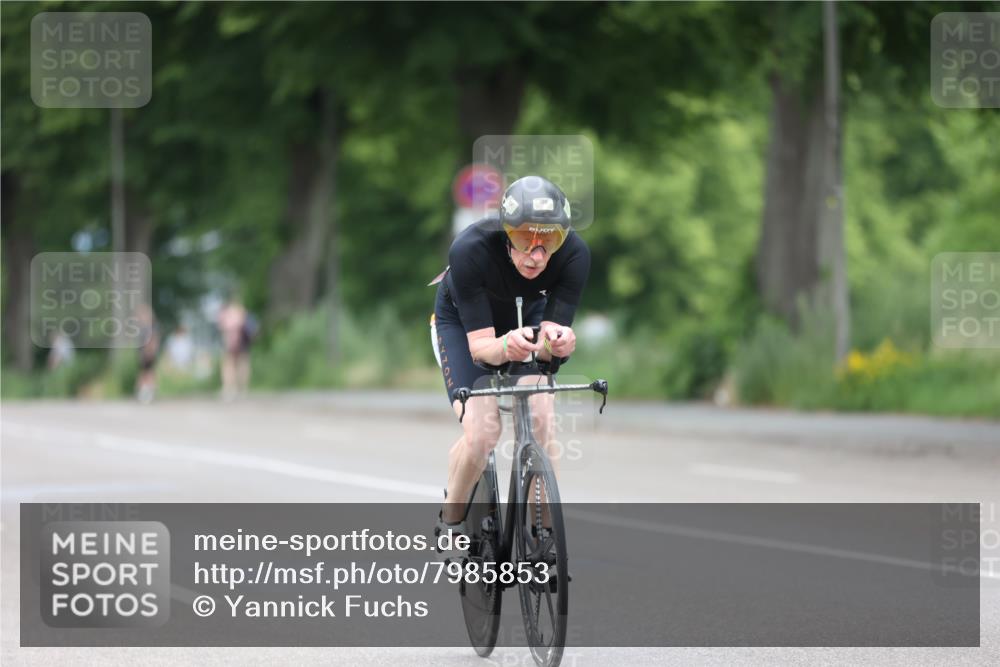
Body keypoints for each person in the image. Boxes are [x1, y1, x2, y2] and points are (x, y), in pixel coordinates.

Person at [429, 176, 590, 541]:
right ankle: (451, 523)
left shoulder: (575, 255)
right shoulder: (470, 249)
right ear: (505, 234)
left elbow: (548, 345)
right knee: (483, 434)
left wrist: (558, 344)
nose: (536, 255)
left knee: (541, 416)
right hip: (464, 325)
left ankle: (543, 531)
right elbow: (481, 348)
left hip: (524, 318)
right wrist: (505, 348)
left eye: (549, 242)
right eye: (524, 240)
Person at [217, 295, 253, 399]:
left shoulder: (227, 312)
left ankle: (229, 388)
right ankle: (243, 388)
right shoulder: (242, 311)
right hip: (242, 342)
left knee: (229, 365)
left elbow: (222, 326)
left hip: (231, 341)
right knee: (242, 364)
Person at [135, 303, 159, 404]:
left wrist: (150, 351)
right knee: (145, 373)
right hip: (143, 353)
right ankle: (144, 393)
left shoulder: (150, 328)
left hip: (147, 354)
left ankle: (148, 393)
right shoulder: (144, 328)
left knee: (148, 373)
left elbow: (153, 341)